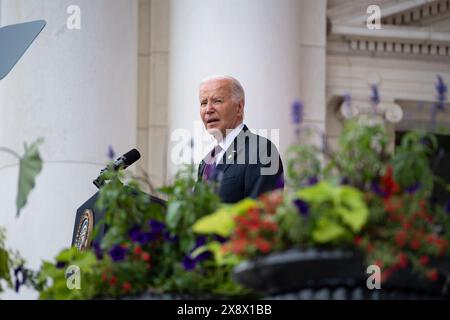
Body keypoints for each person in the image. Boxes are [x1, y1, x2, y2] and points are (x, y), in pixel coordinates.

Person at [198, 75, 284, 203]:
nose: (208, 109)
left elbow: (259, 214)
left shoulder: (261, 151)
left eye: (217, 101)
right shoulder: (206, 162)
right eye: (204, 103)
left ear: (239, 108)